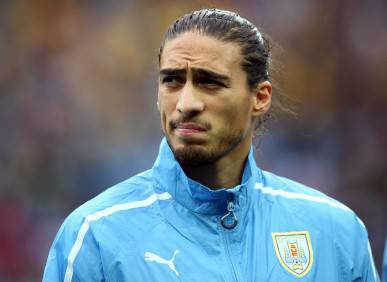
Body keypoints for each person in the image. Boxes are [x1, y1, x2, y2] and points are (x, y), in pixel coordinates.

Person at [43, 8, 380, 281]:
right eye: (172, 81)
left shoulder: (336, 233)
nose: (186, 102)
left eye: (209, 83)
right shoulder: (96, 236)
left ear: (259, 98)